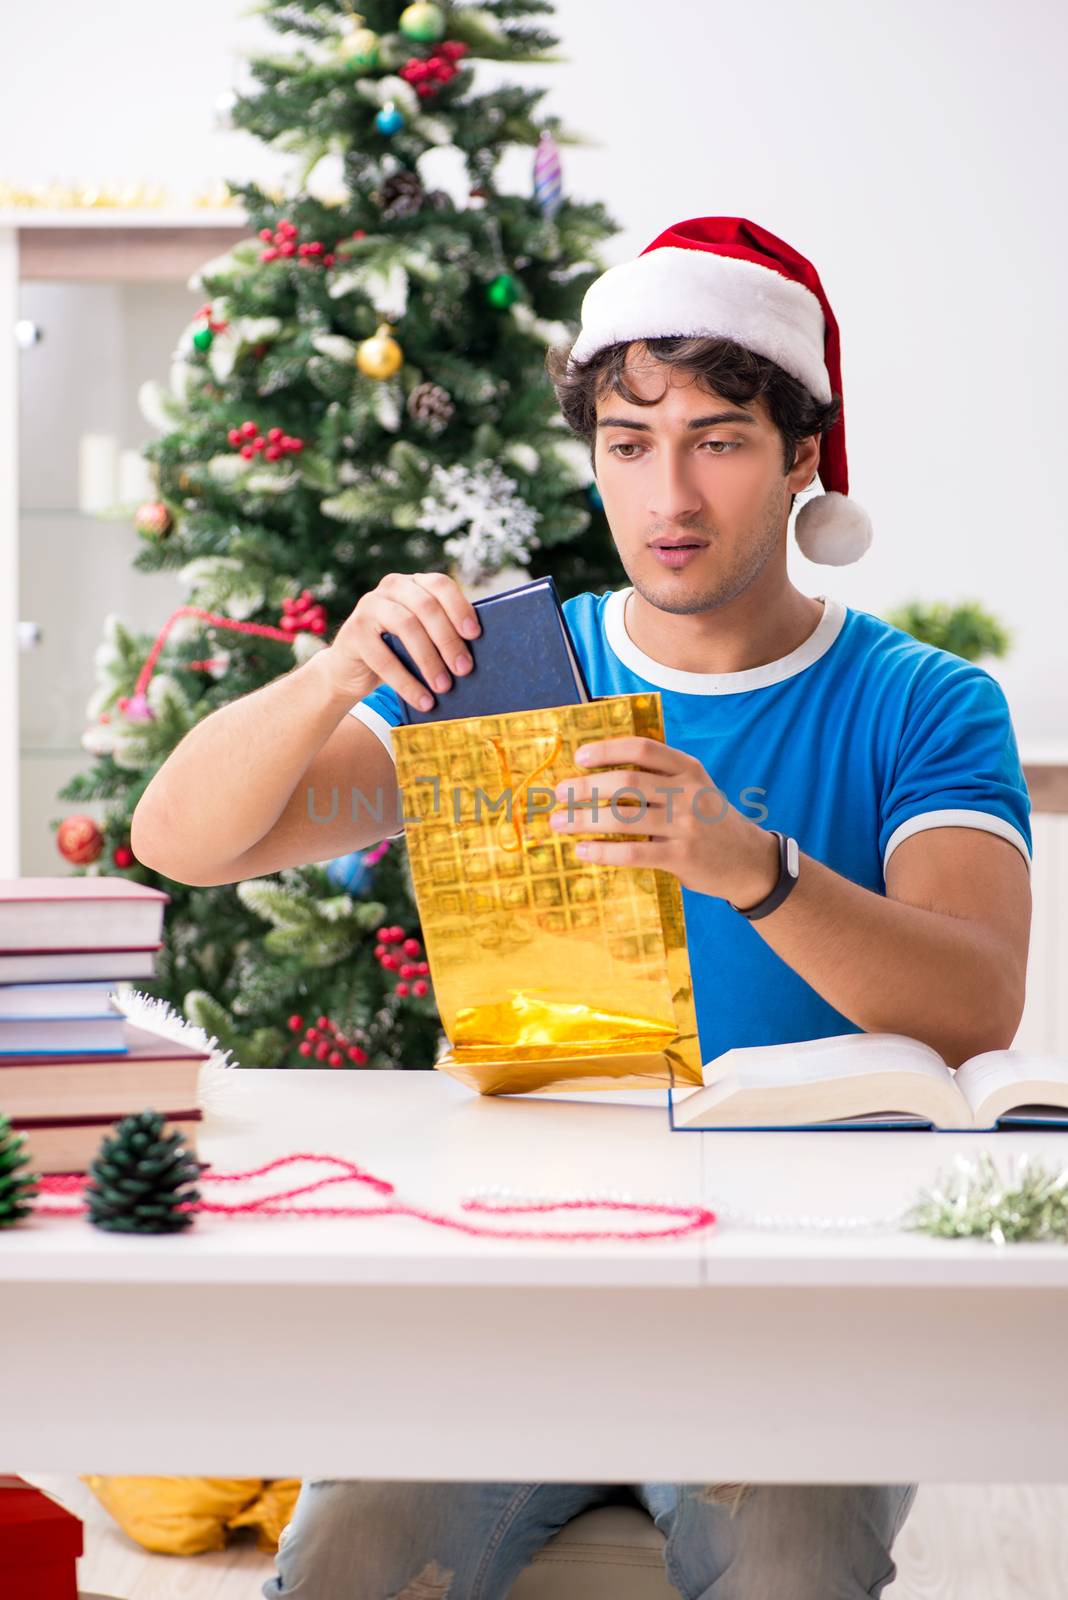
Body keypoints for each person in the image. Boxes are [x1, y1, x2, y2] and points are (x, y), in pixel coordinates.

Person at [132, 215, 1031, 1597]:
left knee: (791, 1566)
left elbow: (978, 1004)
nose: (668, 491)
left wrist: (753, 868)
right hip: (521, 1272)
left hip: (800, 1303)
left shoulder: (927, 703)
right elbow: (179, 840)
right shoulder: (505, 672)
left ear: (804, 455)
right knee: (345, 1557)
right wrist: (327, 675)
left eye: (719, 438)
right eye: (627, 442)